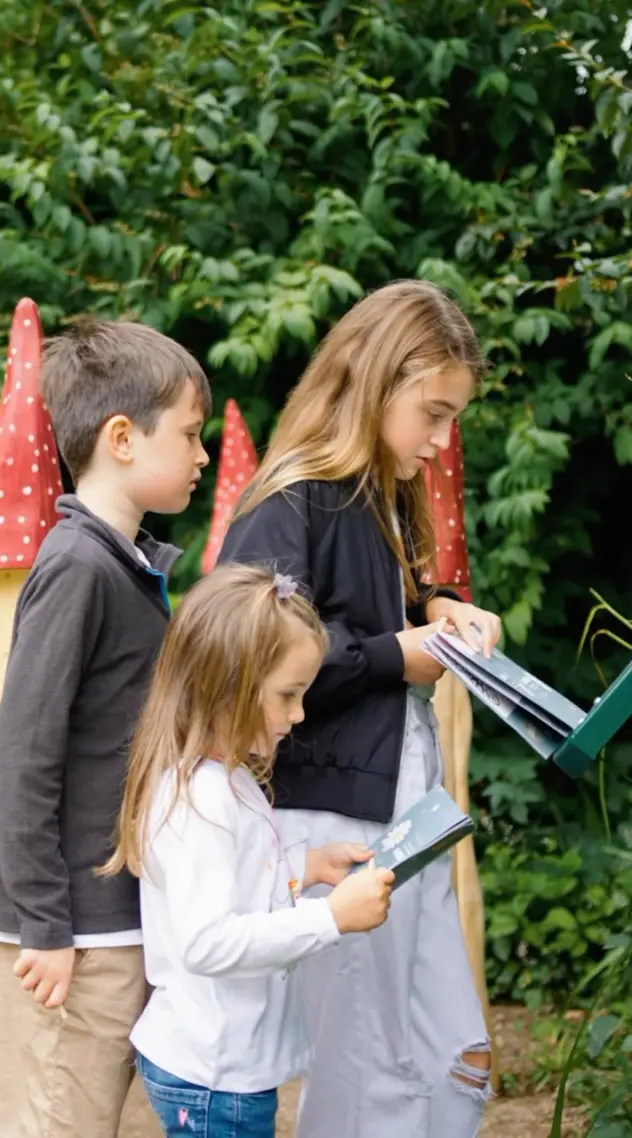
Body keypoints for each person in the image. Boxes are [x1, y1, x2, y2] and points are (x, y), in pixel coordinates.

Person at [218, 280, 502, 1138]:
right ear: (380, 379)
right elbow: (253, 651)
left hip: (403, 807)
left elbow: (362, 614)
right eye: (434, 412)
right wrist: (396, 654)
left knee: (455, 1056)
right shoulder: (291, 496)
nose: (443, 439)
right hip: (334, 817)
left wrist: (437, 607)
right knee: (371, 1062)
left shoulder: (381, 491)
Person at [0, 320, 211, 1138]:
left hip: (113, 922)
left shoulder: (125, 564)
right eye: (189, 434)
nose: (199, 454)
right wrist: (47, 926)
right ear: (121, 437)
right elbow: (21, 753)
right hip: (69, 941)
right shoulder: (77, 565)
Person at [103, 562, 395, 1138]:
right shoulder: (203, 798)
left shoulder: (225, 778)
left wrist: (305, 867)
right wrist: (329, 918)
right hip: (213, 1076)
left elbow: (234, 882)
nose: (299, 714)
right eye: (287, 695)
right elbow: (208, 942)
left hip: (221, 1067)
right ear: (226, 685)